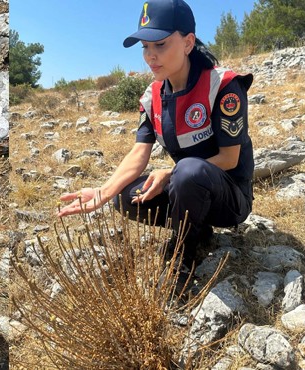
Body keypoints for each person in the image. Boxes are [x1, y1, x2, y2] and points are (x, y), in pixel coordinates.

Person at [57, 0, 254, 274]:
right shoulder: (153, 98)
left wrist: (170, 175)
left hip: (231, 199)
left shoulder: (222, 85)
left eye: (160, 44)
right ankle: (198, 228)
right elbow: (139, 153)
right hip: (187, 185)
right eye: (145, 47)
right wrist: (103, 191)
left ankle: (183, 258)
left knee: (187, 171)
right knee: (125, 195)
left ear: (188, 42)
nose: (151, 56)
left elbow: (230, 158)